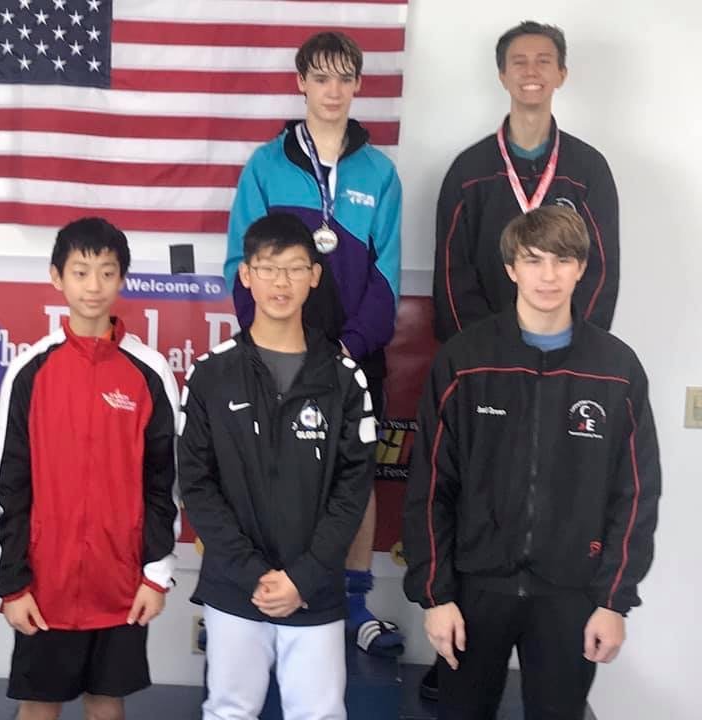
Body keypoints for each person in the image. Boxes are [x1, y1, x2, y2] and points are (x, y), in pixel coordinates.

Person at [403, 206, 660, 719]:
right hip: (475, 593)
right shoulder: (464, 360)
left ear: (582, 268)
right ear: (511, 268)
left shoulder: (616, 369)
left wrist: (613, 600)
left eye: (562, 260)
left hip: (570, 596)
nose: (548, 276)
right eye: (533, 260)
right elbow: (431, 485)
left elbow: (635, 494)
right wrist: (435, 596)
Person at [224, 29, 404, 655]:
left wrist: (347, 349)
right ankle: (270, 588)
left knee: (355, 476)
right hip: (277, 356)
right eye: (320, 77)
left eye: (344, 77)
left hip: (353, 358)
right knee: (275, 469)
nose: (332, 90)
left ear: (358, 85)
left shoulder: (380, 173)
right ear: (300, 82)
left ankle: (355, 605)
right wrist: (276, 343)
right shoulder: (265, 165)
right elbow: (239, 265)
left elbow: (386, 275)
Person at [181, 213, 378, 719]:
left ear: (314, 275)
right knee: (229, 711)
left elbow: (352, 488)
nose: (280, 282)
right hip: (234, 587)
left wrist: (303, 577)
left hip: (313, 590)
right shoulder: (211, 374)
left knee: (318, 713)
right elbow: (197, 486)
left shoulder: (343, 377)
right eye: (268, 268)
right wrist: (252, 574)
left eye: (294, 268)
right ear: (245, 275)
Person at [0, 217, 179, 720]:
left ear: (122, 279)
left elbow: (165, 482)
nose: (93, 286)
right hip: (44, 583)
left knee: (106, 703)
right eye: (80, 272)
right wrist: (13, 582)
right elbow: (8, 485)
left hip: (121, 581)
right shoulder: (31, 370)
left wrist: (156, 573)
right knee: (39, 705)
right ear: (57, 278)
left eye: (106, 272)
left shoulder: (150, 371)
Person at [433, 21, 619, 344]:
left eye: (544, 61)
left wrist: (577, 342)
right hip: (485, 354)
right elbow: (452, 273)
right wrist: (479, 346)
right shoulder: (469, 171)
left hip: (568, 353)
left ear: (562, 73)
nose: (531, 71)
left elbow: (601, 271)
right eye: (519, 62)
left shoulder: (589, 169)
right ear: (502, 75)